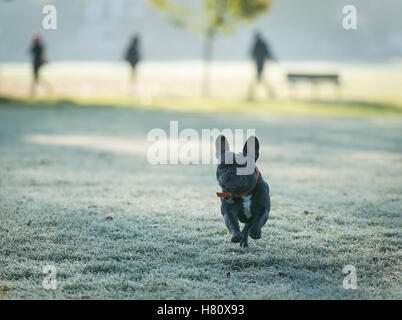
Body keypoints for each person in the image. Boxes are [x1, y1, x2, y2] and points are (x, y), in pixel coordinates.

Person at [248, 32, 276, 100]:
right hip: (260, 63)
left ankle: (251, 94)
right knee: (260, 78)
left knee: (259, 78)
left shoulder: (258, 43)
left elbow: (252, 53)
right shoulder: (261, 43)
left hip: (259, 63)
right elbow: (267, 53)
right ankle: (270, 93)